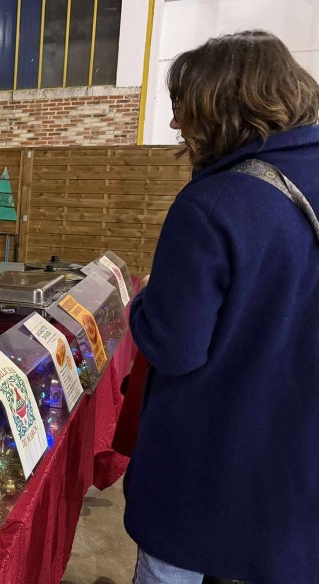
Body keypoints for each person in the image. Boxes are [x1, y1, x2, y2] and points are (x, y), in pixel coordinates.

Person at [126, 31, 319, 583]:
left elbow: (175, 346)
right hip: (299, 470)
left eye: (183, 110)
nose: (175, 127)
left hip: (211, 466)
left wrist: (144, 301)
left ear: (221, 107)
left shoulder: (213, 203)